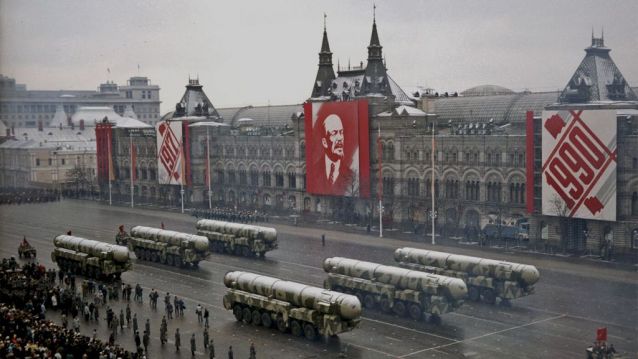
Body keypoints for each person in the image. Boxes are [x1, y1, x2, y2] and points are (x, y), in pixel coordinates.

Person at [311, 113, 355, 195]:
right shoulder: (314, 170)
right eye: (334, 133)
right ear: (324, 142)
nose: (340, 138)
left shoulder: (351, 174)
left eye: (341, 132)